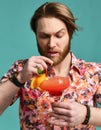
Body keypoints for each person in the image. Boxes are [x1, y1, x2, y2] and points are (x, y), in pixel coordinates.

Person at [0, 2, 101, 130]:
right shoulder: (22, 69)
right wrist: (19, 78)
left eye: (59, 35)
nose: (51, 44)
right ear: (36, 35)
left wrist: (87, 114)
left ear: (70, 33)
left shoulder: (94, 72)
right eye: (44, 36)